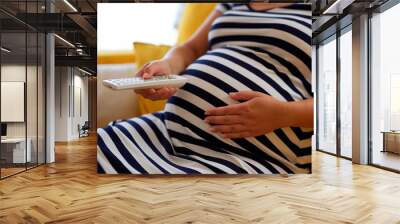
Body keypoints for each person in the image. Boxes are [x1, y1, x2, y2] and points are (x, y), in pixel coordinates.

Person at [98, 3, 313, 174]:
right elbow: (190, 48)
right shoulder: (233, 4)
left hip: (252, 155)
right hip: (166, 131)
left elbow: (343, 100)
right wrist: (168, 65)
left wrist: (283, 114)